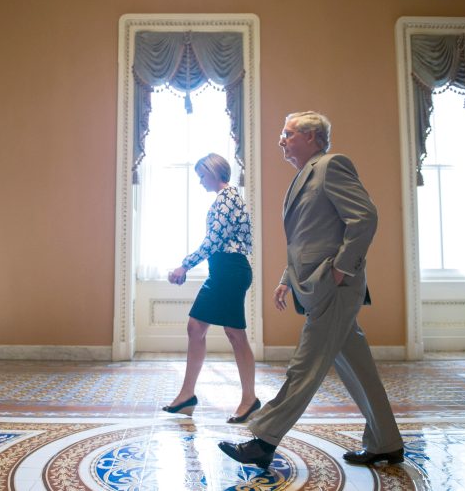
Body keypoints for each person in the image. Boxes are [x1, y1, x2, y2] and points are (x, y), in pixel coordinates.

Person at [218, 111, 404, 470]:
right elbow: (308, 237)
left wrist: (341, 268)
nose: (281, 141)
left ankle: (263, 440)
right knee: (358, 367)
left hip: (334, 287)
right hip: (316, 285)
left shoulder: (332, 165)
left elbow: (364, 217)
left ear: (312, 137)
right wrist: (287, 279)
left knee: (304, 366)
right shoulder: (305, 175)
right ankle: (386, 442)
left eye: (287, 134)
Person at [163, 153, 260, 423]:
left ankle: (250, 399)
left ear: (213, 172)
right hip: (222, 271)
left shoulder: (226, 199)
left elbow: (213, 241)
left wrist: (184, 265)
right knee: (196, 327)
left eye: (201, 175)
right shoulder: (226, 199)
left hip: (230, 271)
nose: (200, 181)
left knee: (234, 333)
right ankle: (187, 396)